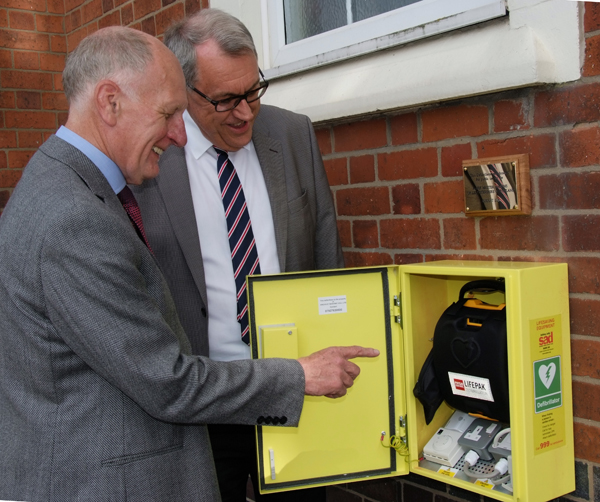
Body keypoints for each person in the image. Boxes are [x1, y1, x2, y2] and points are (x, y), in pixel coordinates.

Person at [0, 26, 378, 502]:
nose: (180, 133)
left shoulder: (65, 186)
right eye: (168, 113)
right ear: (110, 102)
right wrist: (300, 375)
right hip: (114, 468)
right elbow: (165, 381)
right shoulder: (74, 217)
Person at [133, 9, 344, 501]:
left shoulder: (293, 136)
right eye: (227, 99)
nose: (246, 112)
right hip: (204, 407)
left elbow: (327, 255)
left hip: (295, 393)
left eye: (253, 91)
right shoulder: (150, 157)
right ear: (185, 92)